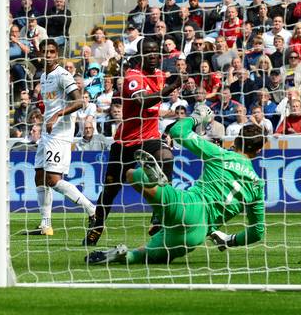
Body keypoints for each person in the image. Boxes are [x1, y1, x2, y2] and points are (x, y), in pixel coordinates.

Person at [87, 112, 265, 266]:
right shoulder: (257, 185)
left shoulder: (220, 154)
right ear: (258, 151)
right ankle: (124, 254)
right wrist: (229, 240)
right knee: (145, 256)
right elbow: (258, 232)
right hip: (198, 234)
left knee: (132, 174)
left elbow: (177, 131)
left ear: (236, 140)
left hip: (188, 206)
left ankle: (154, 182)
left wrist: (197, 117)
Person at [85, 39, 181, 246]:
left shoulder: (158, 75)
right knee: (110, 190)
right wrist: (170, 88)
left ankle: (159, 214)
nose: (153, 55)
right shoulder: (133, 77)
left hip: (149, 138)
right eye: (148, 52)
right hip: (126, 142)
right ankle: (96, 227)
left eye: (156, 51)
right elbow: (142, 101)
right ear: (141, 55)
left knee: (167, 157)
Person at [24, 40, 95, 236]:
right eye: (45, 52)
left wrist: (57, 115)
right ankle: (45, 225)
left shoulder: (63, 75)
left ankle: (93, 211)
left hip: (61, 134)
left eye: (52, 52)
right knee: (39, 175)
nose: (48, 55)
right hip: (47, 134)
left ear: (57, 54)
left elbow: (80, 101)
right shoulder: (44, 75)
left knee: (53, 179)